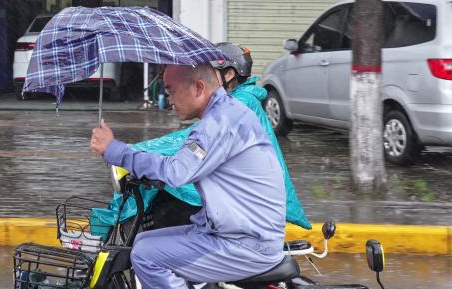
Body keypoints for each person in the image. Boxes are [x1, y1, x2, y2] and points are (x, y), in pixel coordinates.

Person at [91, 64, 286, 288]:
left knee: (146, 256)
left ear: (199, 87)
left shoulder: (220, 122)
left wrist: (117, 151)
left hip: (247, 244)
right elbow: (185, 158)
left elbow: (177, 171)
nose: (169, 99)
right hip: (235, 232)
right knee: (143, 241)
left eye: (171, 90)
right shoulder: (224, 112)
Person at [103, 43, 310, 231]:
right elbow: (193, 140)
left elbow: (185, 142)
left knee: (168, 209)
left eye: (211, 73)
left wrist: (135, 151)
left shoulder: (240, 104)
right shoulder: (228, 103)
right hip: (236, 194)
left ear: (228, 75)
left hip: (245, 207)